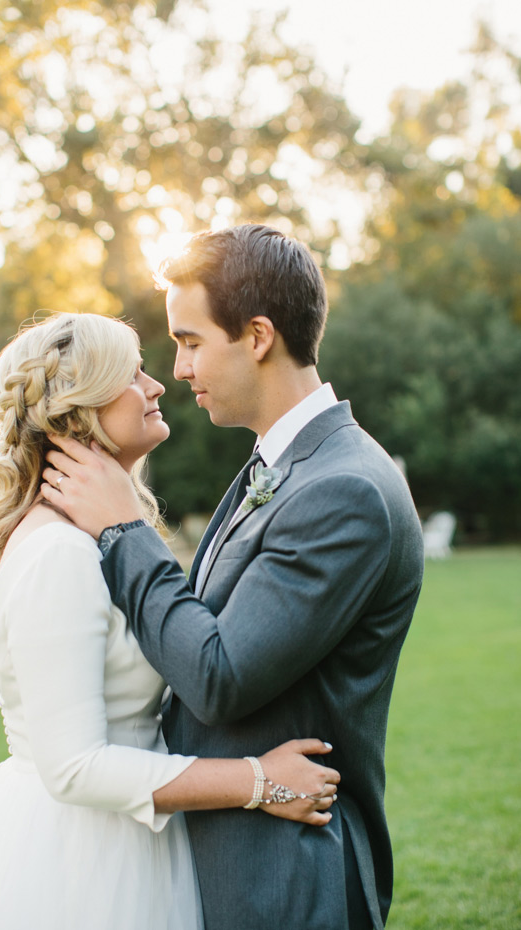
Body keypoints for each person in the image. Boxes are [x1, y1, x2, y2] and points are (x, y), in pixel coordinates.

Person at [42, 225, 425, 930]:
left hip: (286, 878)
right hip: (229, 856)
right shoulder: (278, 464)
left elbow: (218, 675)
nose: (179, 370)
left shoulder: (345, 489)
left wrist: (125, 529)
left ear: (256, 336)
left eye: (190, 342)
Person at [0, 311, 341, 930]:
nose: (157, 386)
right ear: (78, 410)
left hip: (136, 837)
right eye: (134, 373)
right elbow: (74, 766)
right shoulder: (59, 552)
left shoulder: (93, 537)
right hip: (83, 860)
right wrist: (259, 781)